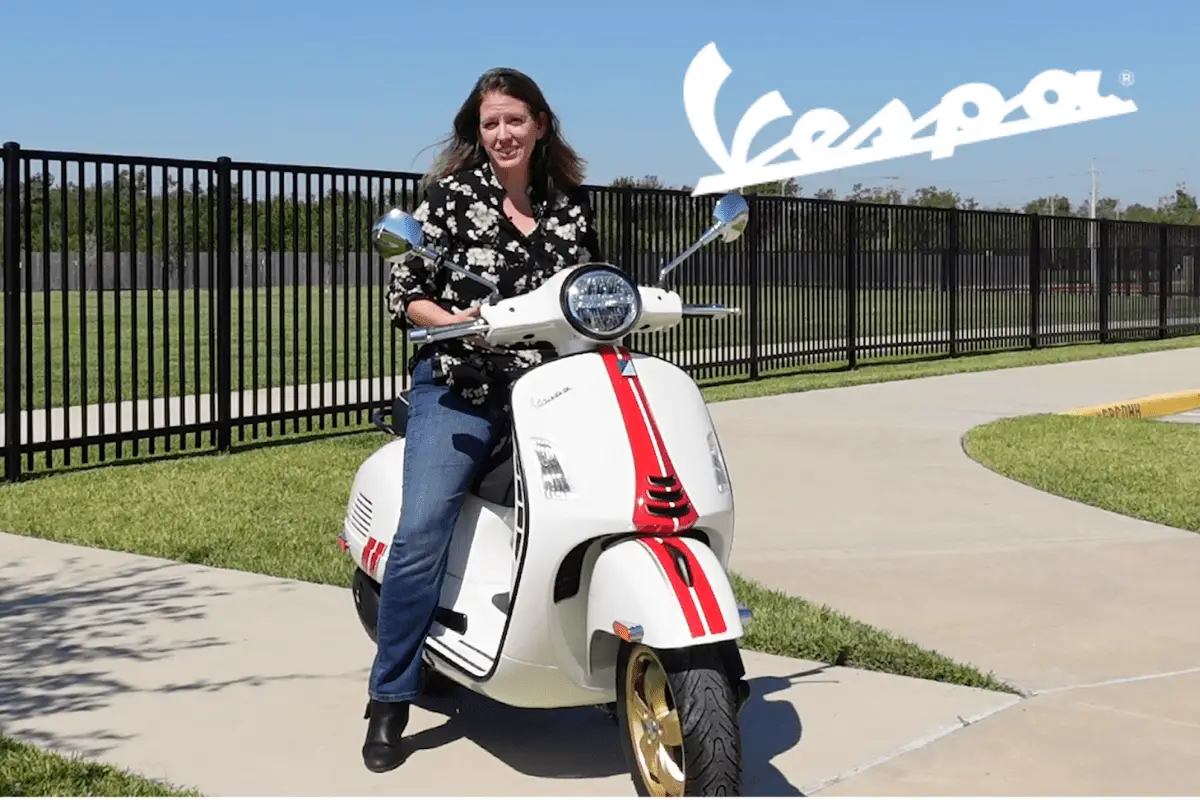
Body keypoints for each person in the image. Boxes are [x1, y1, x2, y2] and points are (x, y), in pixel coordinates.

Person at [361, 66, 605, 773]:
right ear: (477, 132)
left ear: (540, 125)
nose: (501, 133)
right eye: (489, 122)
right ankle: (390, 697)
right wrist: (456, 324)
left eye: (513, 120)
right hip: (459, 386)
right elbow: (407, 293)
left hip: (551, 391)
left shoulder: (569, 206)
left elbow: (586, 287)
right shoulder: (449, 198)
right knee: (422, 530)